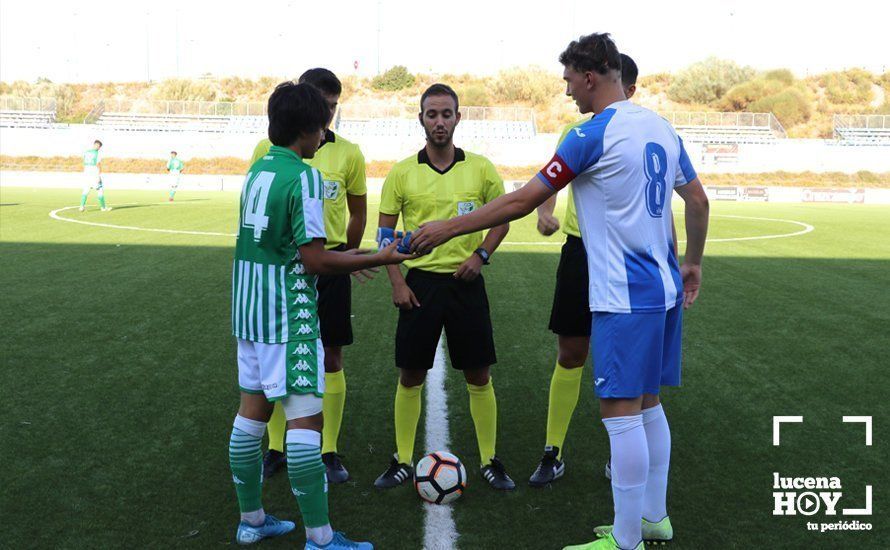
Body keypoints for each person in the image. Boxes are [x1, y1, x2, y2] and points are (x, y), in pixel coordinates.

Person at [409, 34, 710, 550]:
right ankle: (655, 518)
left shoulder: (590, 134)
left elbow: (525, 200)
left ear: (590, 77)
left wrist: (448, 229)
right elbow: (698, 201)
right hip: (662, 289)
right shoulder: (660, 127)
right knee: (649, 405)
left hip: (623, 293)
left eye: (569, 79)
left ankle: (625, 539)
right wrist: (693, 263)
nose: (567, 89)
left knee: (620, 412)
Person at [228, 81, 408, 548]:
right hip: (288, 314)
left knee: (251, 413)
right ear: (311, 129)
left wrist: (353, 256)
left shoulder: (258, 169)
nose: (324, 136)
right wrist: (378, 258)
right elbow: (315, 260)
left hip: (248, 311)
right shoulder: (303, 176)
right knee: (306, 419)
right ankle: (323, 539)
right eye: (322, 127)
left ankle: (251, 520)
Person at [530, 53, 668, 487]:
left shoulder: (646, 129)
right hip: (581, 253)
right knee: (572, 353)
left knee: (633, 372)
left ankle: (623, 459)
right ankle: (553, 451)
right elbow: (550, 180)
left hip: (629, 263)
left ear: (631, 88)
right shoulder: (581, 130)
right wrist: (544, 213)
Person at [373, 83, 515, 491]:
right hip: (418, 285)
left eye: (446, 114)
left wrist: (481, 256)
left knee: (479, 374)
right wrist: (397, 281)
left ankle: (490, 460)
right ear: (421, 119)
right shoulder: (402, 171)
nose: (439, 122)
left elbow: (502, 218)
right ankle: (402, 459)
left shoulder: (482, 168)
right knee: (411, 374)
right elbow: (385, 232)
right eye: (431, 114)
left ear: (458, 118)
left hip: (465, 282)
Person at [250, 68, 368, 484]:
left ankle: (329, 449)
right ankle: (277, 448)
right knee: (279, 360)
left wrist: (350, 256)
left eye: (333, 107)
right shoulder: (274, 152)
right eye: (322, 105)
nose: (328, 116)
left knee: (330, 355)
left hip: (329, 261)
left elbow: (357, 211)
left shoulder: (349, 153)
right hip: (289, 270)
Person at [79, 140, 111, 212]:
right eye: (99, 146)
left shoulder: (86, 152)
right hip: (94, 173)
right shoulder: (97, 153)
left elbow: (84, 161)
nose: (98, 148)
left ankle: (81, 206)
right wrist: (99, 175)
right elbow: (98, 164)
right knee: (100, 189)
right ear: (98, 146)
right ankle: (103, 208)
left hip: (86, 173)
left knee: (86, 189)